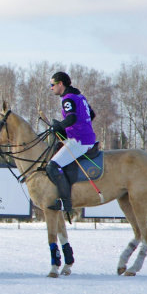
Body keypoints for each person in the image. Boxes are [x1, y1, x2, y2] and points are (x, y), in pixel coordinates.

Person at [46, 71, 97, 212]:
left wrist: (59, 127)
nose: (51, 88)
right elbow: (91, 115)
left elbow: (71, 118)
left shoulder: (67, 98)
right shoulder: (79, 96)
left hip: (79, 141)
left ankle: (65, 203)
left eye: (52, 84)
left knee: (52, 166)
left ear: (60, 84)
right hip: (85, 137)